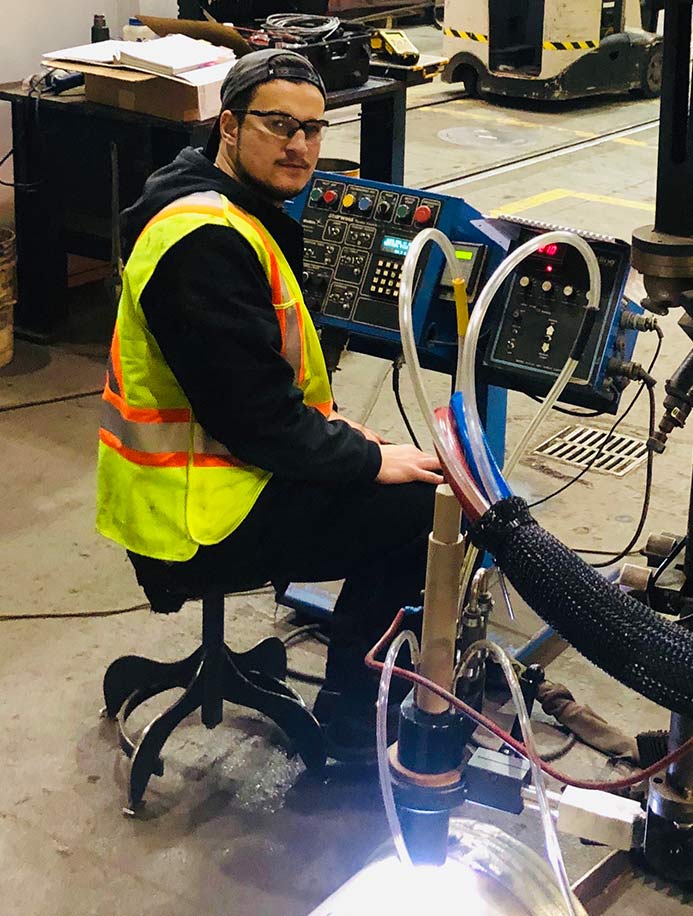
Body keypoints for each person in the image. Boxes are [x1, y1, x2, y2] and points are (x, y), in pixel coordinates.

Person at [96, 48, 442, 762]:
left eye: (313, 129)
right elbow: (254, 418)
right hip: (199, 515)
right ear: (228, 124)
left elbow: (254, 389)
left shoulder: (205, 196)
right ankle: (354, 728)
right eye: (278, 124)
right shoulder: (205, 242)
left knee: (389, 472)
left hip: (197, 478)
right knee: (422, 511)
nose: (299, 145)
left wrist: (340, 435)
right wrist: (363, 459)